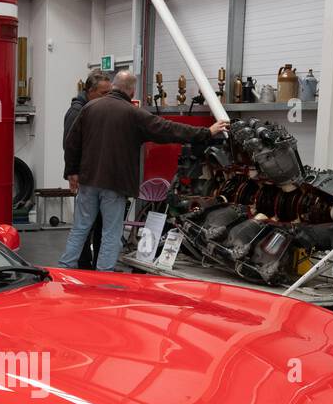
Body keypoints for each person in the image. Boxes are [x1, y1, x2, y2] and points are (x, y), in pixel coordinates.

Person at [60, 69, 229, 272]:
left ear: (114, 86)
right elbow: (168, 129)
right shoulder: (134, 114)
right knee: (111, 232)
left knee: (80, 228)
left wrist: (72, 172)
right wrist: (207, 132)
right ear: (132, 92)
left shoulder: (90, 108)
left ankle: (64, 269)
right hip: (114, 184)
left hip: (88, 181)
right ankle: (104, 276)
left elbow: (72, 143)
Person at [62, 71, 113, 269]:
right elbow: (70, 144)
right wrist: (72, 173)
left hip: (95, 177)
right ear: (90, 91)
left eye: (110, 93)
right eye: (103, 93)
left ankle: (93, 264)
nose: (107, 97)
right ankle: (83, 265)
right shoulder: (77, 112)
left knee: (96, 224)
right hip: (86, 178)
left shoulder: (93, 108)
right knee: (85, 226)